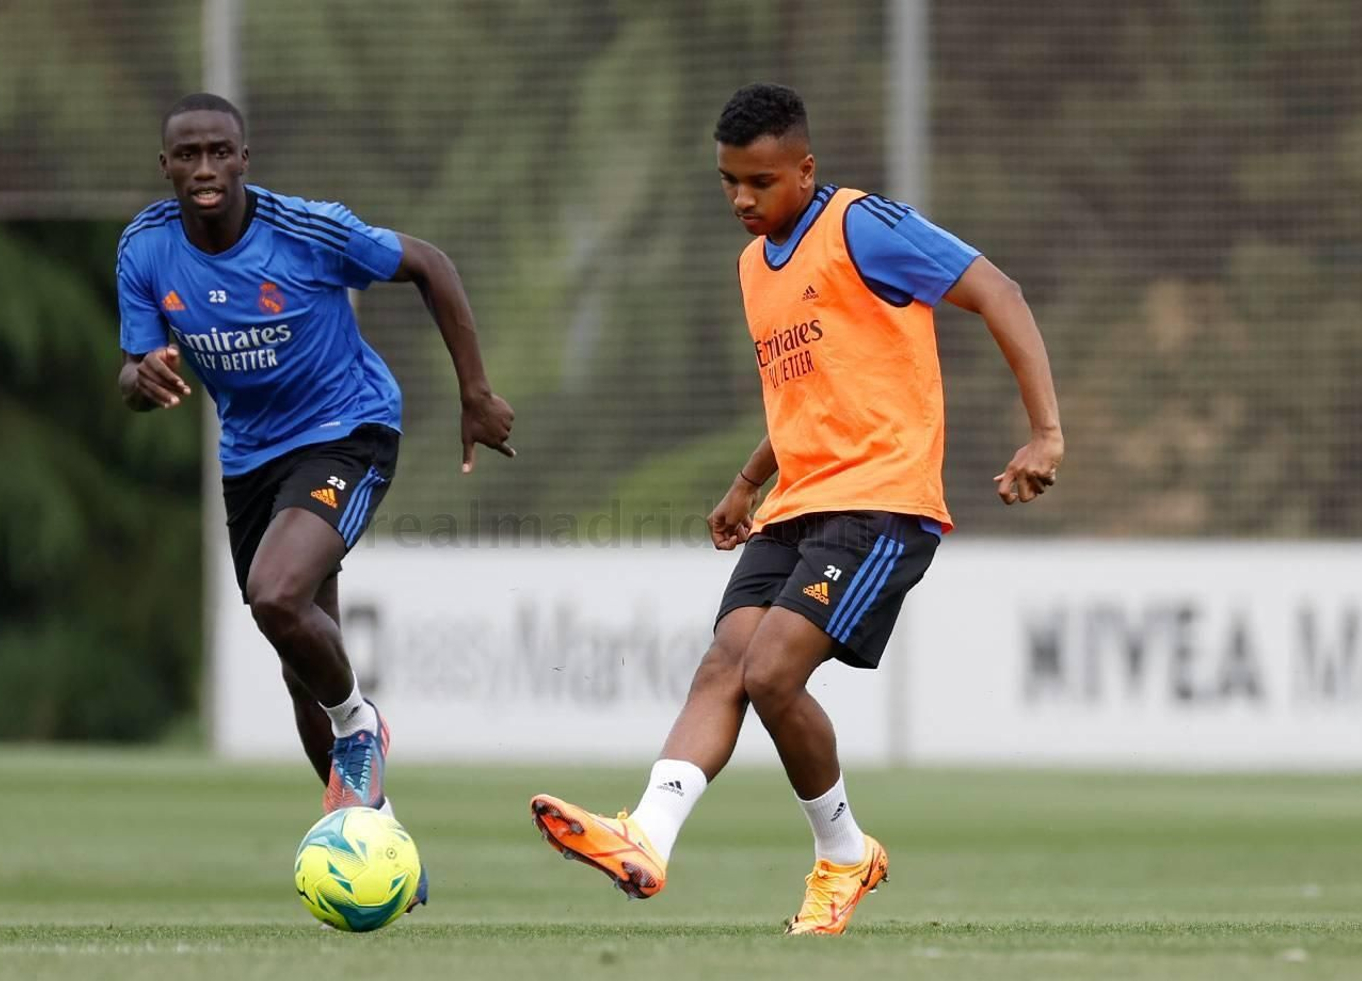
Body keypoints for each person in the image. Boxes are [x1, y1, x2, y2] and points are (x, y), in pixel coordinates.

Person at [530, 83, 1063, 935]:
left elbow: (1000, 290)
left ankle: (844, 854)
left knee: (772, 669)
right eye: (729, 182)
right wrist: (747, 481)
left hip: (883, 502)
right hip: (797, 504)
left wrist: (1045, 432)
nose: (743, 199)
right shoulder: (753, 268)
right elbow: (807, 394)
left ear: (805, 170)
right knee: (726, 662)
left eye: (761, 181)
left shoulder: (861, 226)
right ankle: (648, 833)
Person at [116, 93, 514, 857]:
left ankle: (361, 724)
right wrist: (143, 379)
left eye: (219, 152)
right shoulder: (144, 249)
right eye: (188, 155)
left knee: (276, 594)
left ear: (243, 160)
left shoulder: (305, 230)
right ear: (164, 166)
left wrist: (474, 392)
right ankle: (376, 840)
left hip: (348, 430)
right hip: (250, 458)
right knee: (301, 659)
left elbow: (430, 263)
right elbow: (133, 373)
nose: (205, 168)